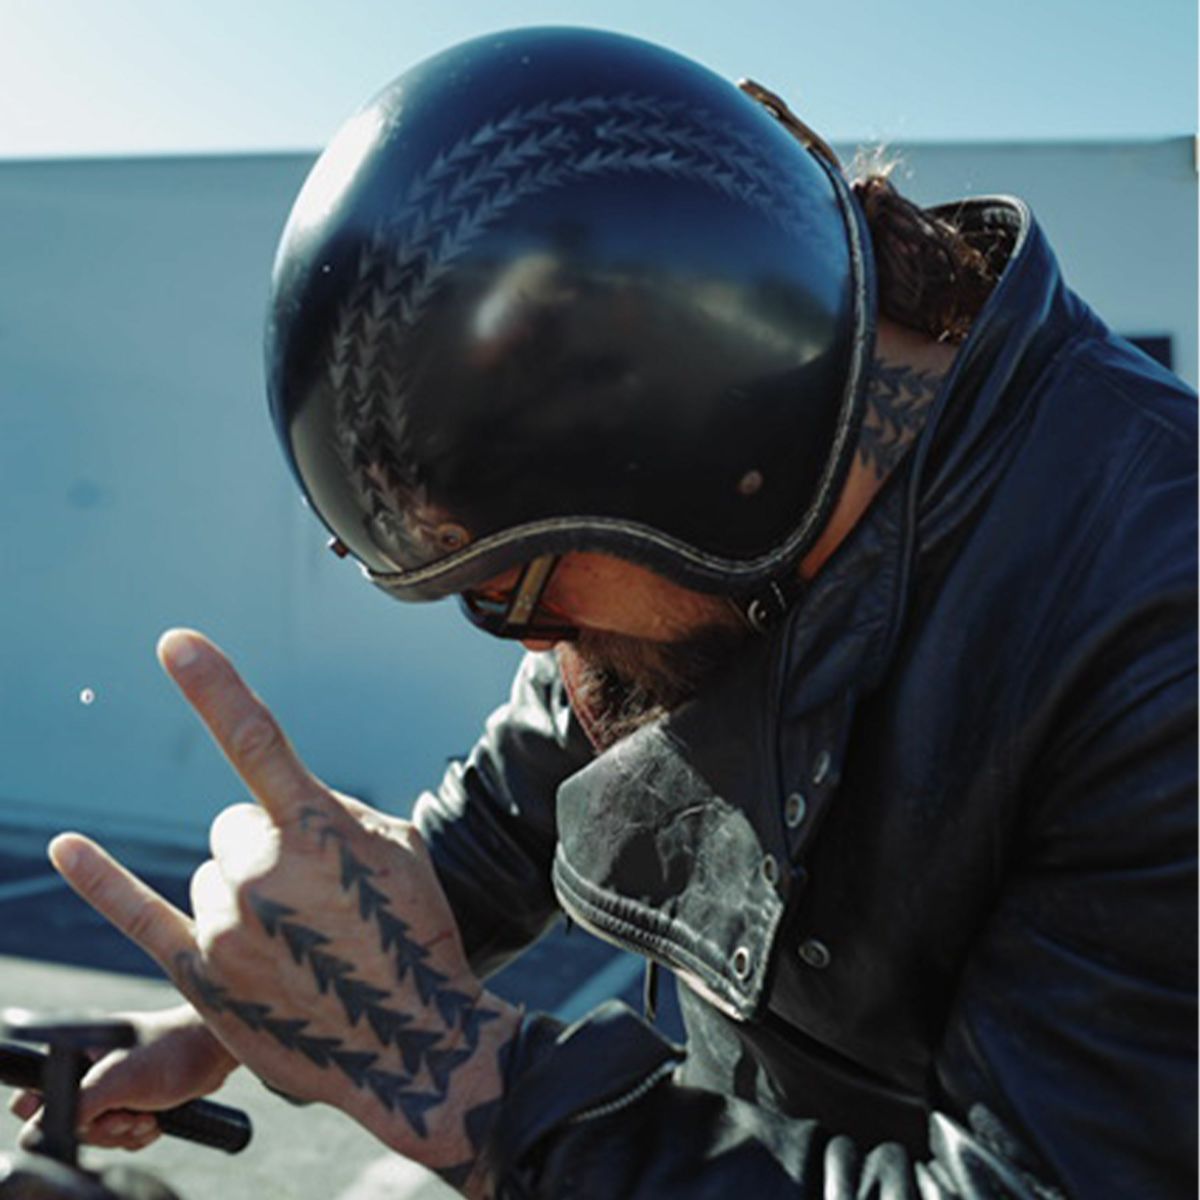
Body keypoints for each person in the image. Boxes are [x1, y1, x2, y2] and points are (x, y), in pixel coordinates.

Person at [11, 27, 1196, 1199]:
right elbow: (510, 824)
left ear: (703, 464)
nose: (530, 642)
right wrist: (244, 1009)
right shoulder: (724, 560)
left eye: (515, 587)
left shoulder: (1156, 617)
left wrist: (467, 1082)